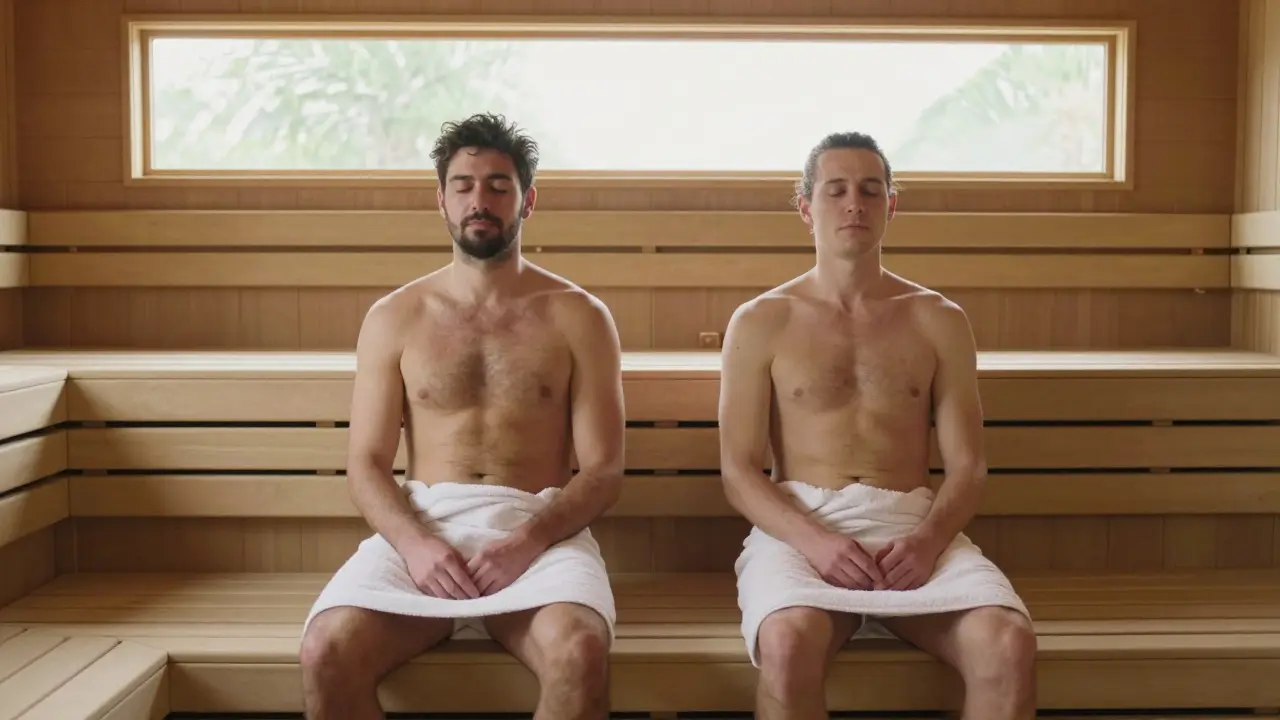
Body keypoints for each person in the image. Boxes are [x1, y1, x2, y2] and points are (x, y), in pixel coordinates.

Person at [299, 113, 625, 720]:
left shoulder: (578, 316)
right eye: (465, 185)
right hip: (425, 525)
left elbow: (603, 470)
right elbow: (366, 467)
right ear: (441, 200)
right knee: (325, 653)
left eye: (499, 185)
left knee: (580, 652)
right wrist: (417, 545)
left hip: (538, 527)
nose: (482, 199)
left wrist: (525, 541)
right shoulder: (395, 317)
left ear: (527, 201)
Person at [718, 131, 1036, 720]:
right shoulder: (762, 320)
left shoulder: (938, 319)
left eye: (870, 190)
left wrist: (927, 541)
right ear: (804, 205)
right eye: (835, 190)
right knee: (787, 645)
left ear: (892, 205)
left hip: (911, 526)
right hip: (804, 525)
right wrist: (816, 540)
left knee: (1008, 643)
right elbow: (738, 471)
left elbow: (968, 467)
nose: (853, 205)